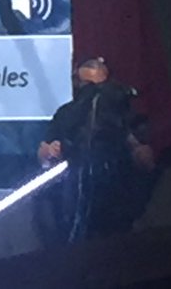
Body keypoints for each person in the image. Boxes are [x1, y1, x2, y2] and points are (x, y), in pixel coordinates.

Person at [36, 57, 157, 242]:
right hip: (74, 197)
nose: (94, 96)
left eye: (100, 88)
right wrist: (50, 152)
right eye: (88, 88)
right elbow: (43, 155)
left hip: (117, 198)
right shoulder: (66, 114)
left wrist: (139, 152)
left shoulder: (123, 113)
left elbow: (146, 159)